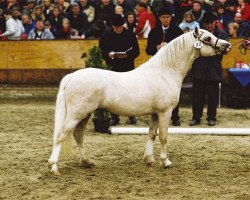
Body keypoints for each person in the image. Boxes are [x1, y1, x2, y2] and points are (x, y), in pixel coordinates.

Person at [99, 14, 140, 126]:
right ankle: (114, 117)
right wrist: (109, 54)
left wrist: (127, 55)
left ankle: (131, 115)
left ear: (123, 26)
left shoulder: (130, 34)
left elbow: (137, 51)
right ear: (112, 26)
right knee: (113, 93)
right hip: (113, 67)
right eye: (115, 27)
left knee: (129, 92)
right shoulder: (106, 35)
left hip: (127, 67)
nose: (118, 29)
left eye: (119, 27)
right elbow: (102, 51)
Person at [145, 7, 184, 126]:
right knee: (157, 90)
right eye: (163, 17)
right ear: (160, 18)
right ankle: (156, 112)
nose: (166, 19)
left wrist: (169, 48)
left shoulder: (177, 31)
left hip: (172, 67)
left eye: (168, 17)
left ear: (171, 18)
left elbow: (182, 49)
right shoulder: (154, 31)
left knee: (172, 91)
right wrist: (158, 47)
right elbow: (148, 50)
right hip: (157, 67)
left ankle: (175, 116)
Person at [189, 12, 229, 126]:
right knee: (197, 96)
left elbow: (223, 50)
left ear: (215, 23)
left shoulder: (222, 35)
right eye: (207, 23)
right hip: (199, 68)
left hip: (213, 68)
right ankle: (196, 117)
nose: (210, 25)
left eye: (211, 23)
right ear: (204, 24)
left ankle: (212, 117)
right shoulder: (197, 34)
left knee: (213, 96)